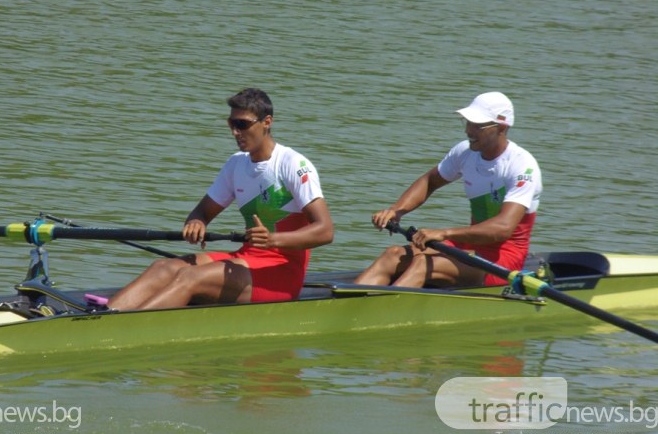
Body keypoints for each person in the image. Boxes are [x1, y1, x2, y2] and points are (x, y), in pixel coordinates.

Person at [108, 88, 334, 310]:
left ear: (267, 122)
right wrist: (197, 223)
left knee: (190, 277)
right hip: (247, 258)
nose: (235, 132)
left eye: (243, 124)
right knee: (163, 268)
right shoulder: (236, 164)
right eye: (232, 124)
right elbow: (202, 212)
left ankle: (121, 331)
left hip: (281, 272)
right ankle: (102, 318)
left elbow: (325, 231)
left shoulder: (293, 164)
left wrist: (272, 240)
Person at [355, 91, 542, 289]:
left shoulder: (522, 166)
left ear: (502, 128)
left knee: (424, 264)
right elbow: (429, 181)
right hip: (471, 248)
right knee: (392, 255)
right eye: (467, 123)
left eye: (477, 126)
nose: (468, 131)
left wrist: (444, 233)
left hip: (503, 262)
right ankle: (346, 307)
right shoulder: (465, 152)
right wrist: (396, 211)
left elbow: (504, 228)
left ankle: (384, 312)